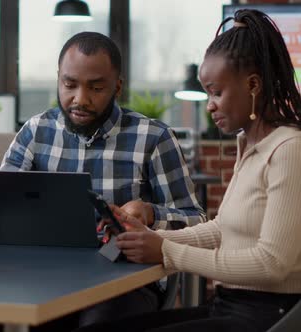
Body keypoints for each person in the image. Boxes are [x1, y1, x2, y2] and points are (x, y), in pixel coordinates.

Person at [0, 32, 205, 332]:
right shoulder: (36, 131)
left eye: (96, 88)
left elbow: (196, 221)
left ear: (117, 86)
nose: (80, 99)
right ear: (59, 79)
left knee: (94, 323)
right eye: (70, 84)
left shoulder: (154, 138)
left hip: (124, 280)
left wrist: (151, 214)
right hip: (44, 275)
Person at [74, 9, 301, 332]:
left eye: (216, 92)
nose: (209, 104)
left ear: (253, 85)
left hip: (270, 315)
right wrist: (146, 239)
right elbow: (222, 228)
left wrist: (167, 251)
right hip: (230, 306)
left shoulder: (289, 149)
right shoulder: (249, 144)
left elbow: (272, 264)